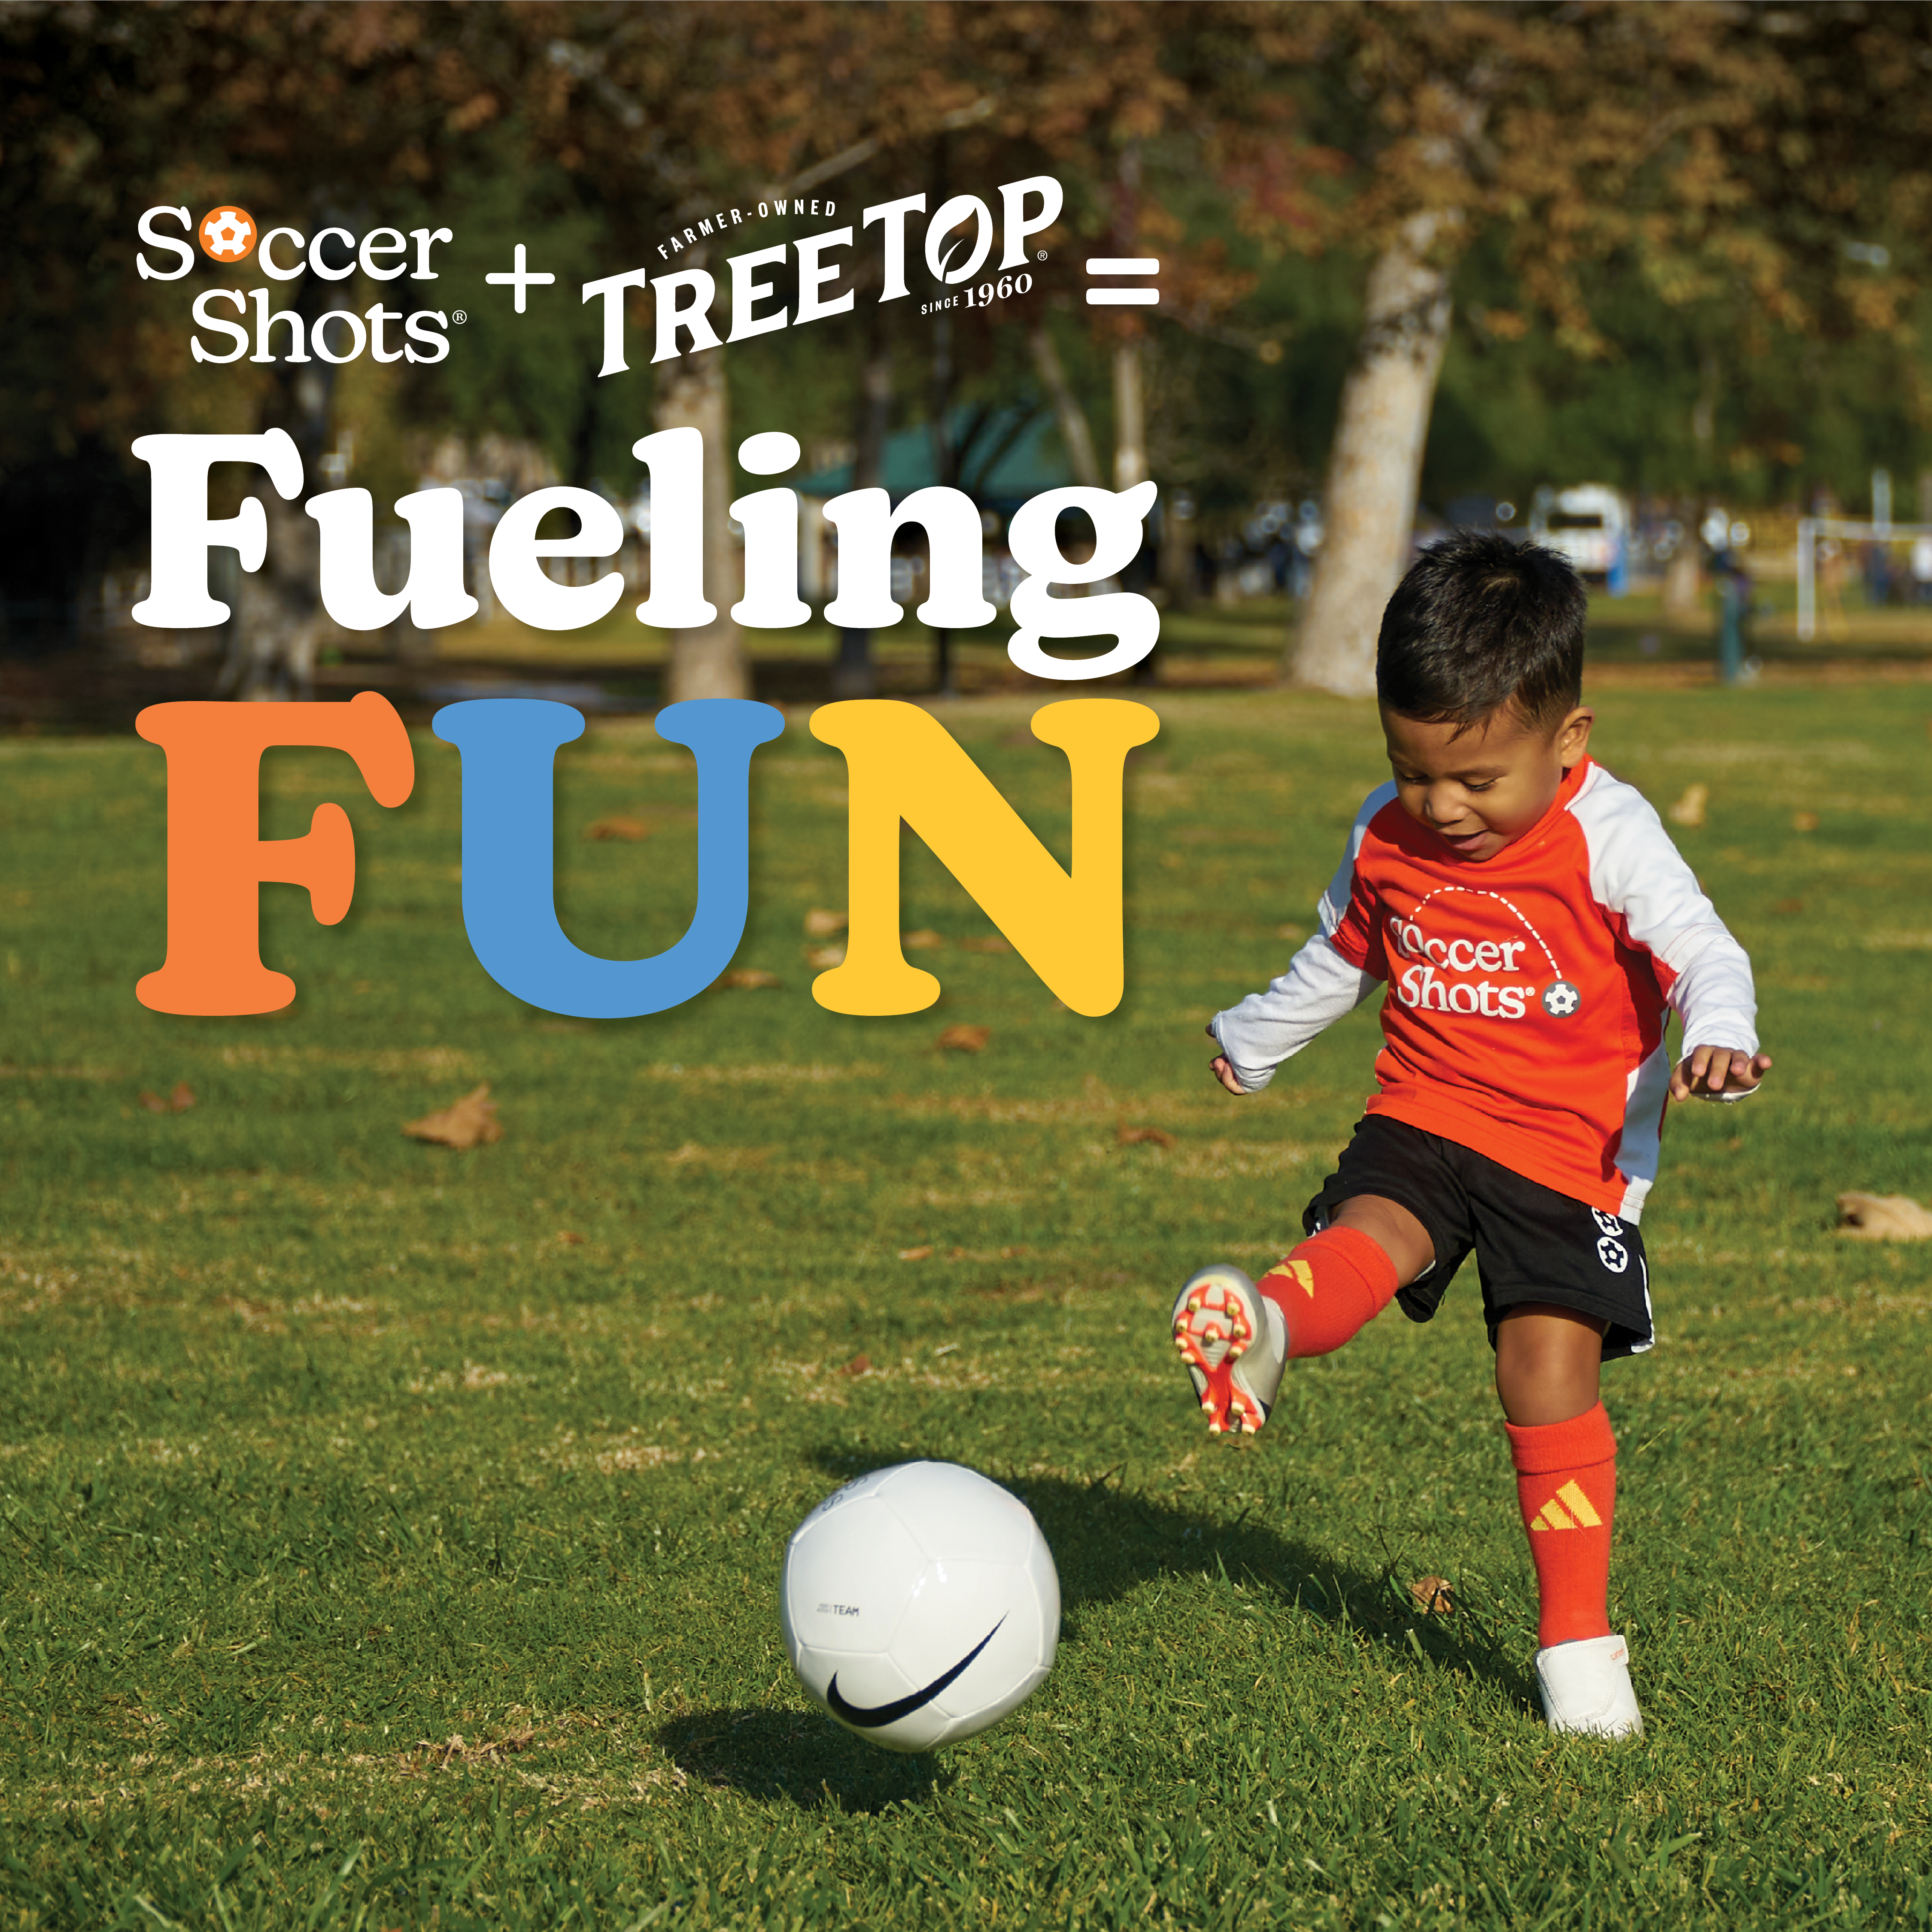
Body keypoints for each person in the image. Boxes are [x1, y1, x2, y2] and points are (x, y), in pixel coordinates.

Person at [1176, 533, 1769, 1738]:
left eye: (1476, 780)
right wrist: (1251, 1036)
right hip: (1422, 1106)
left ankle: (1576, 1648)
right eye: (1410, 770)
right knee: (1368, 1228)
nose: (1440, 807)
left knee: (1541, 1372)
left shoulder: (1609, 834)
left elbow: (1702, 950)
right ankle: (1266, 1330)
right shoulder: (1382, 834)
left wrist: (1722, 1030)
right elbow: (1341, 958)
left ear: (1568, 741)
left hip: (1565, 1152)